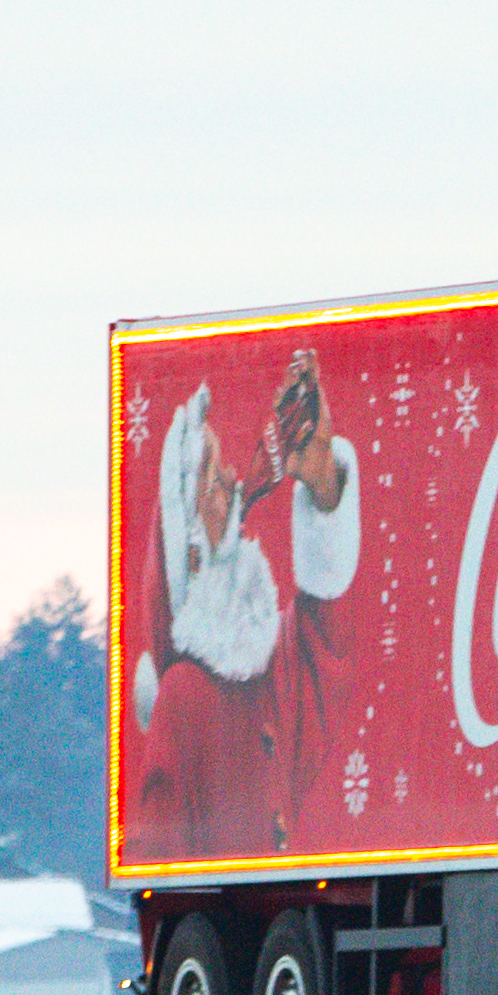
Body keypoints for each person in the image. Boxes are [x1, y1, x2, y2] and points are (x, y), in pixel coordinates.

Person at [129, 348, 360, 855]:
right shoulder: (184, 696)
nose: (234, 479)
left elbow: (331, 641)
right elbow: (161, 857)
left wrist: (324, 481)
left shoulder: (270, 660)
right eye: (213, 477)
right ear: (192, 550)